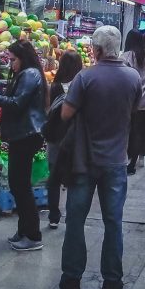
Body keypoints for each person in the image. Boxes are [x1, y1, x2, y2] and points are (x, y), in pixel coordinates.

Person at [60, 26, 141, 289]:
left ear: (96, 49)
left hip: (84, 161)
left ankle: (71, 279)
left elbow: (65, 114)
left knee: (75, 220)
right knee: (113, 221)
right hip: (116, 160)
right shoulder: (132, 77)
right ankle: (112, 280)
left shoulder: (85, 77)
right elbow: (136, 110)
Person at [0, 40, 47, 251]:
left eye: (13, 60)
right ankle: (24, 230)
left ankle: (32, 235)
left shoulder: (30, 74)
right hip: (23, 135)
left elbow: (17, 103)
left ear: (23, 57)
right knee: (18, 184)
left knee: (21, 186)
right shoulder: (29, 74)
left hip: (26, 135)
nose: (11, 64)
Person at [45, 49, 83, 226]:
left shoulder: (55, 86)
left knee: (54, 178)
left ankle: (54, 216)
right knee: (72, 177)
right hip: (74, 138)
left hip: (55, 138)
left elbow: (49, 111)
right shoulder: (82, 85)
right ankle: (71, 214)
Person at [120, 31, 145, 175]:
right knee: (139, 132)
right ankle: (133, 164)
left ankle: (124, 159)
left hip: (128, 101)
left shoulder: (125, 57)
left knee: (126, 131)